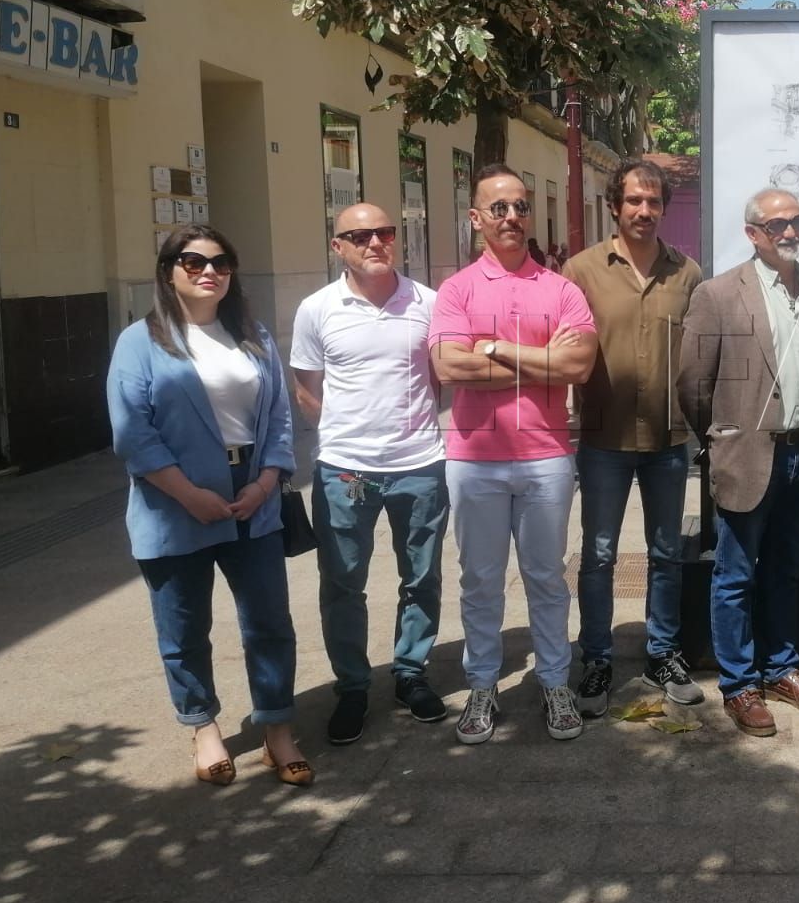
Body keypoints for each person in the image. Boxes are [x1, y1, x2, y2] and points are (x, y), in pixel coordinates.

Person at [106, 225, 310, 786]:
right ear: (168, 271)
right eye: (191, 261)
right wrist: (189, 494)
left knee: (269, 620)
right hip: (175, 499)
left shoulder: (254, 334)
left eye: (220, 261)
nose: (208, 271)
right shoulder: (139, 342)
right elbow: (133, 433)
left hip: (253, 495)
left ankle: (277, 730)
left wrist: (268, 480)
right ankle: (203, 726)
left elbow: (280, 420)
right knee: (184, 624)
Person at [429, 165, 599, 742]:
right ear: (476, 218)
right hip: (474, 458)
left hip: (547, 456)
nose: (511, 217)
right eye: (497, 208)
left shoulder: (560, 290)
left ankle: (555, 681)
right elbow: (450, 367)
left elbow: (578, 366)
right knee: (479, 578)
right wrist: (538, 361)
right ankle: (482, 683)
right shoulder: (457, 290)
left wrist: (495, 349)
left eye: (521, 207)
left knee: (546, 577)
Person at [677, 189, 799, 736]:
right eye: (776, 225)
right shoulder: (719, 294)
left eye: (797, 222)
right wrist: (721, 438)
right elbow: (692, 384)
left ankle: (780, 669)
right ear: (753, 233)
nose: (789, 232)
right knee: (735, 576)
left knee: (785, 571)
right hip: (748, 455)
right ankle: (739, 684)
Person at [290, 203, 448, 745]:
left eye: (384, 232)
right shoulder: (316, 310)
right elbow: (307, 390)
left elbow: (439, 377)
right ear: (338, 247)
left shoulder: (427, 302)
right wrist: (347, 434)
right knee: (342, 583)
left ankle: (410, 674)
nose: (375, 242)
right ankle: (353, 686)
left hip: (420, 465)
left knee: (422, 577)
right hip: (345, 471)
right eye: (359, 235)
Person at [562, 159, 704, 716]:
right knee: (597, 556)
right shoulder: (581, 271)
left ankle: (662, 652)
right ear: (615, 206)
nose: (644, 211)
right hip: (603, 439)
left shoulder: (687, 273)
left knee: (667, 553)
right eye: (633, 202)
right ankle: (596, 657)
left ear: (664, 207)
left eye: (653, 202)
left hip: (670, 442)